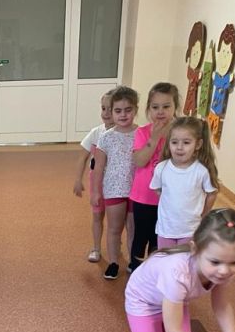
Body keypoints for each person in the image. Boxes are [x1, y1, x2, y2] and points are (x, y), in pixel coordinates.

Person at [128, 83, 180, 273]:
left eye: (166, 106)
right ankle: (136, 272)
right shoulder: (142, 132)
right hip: (144, 196)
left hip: (170, 198)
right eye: (155, 107)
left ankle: (156, 273)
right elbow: (140, 161)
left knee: (161, 239)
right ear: (148, 109)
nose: (160, 111)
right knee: (140, 237)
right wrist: (155, 138)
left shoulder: (181, 133)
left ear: (175, 107)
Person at [91, 86, 139, 279]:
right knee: (114, 228)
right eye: (118, 111)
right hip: (113, 189)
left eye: (128, 110)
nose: (123, 115)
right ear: (112, 112)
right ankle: (113, 262)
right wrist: (96, 192)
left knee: (133, 229)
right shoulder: (106, 137)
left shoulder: (142, 133)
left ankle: (134, 261)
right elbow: (98, 167)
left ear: (135, 110)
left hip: (136, 190)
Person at [152, 117, 219, 248]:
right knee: (165, 259)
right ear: (168, 143)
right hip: (166, 229)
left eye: (186, 142)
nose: (179, 147)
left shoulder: (201, 171)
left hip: (190, 230)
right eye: (174, 142)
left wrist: (204, 214)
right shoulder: (161, 168)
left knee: (185, 260)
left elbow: (212, 193)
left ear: (198, 144)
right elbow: (158, 190)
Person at [73, 90, 116, 262]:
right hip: (97, 181)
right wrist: (78, 179)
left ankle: (116, 244)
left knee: (116, 218)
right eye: (103, 108)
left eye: (111, 109)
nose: (106, 113)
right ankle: (96, 248)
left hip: (117, 182)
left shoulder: (126, 133)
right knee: (97, 215)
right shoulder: (96, 132)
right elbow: (82, 157)